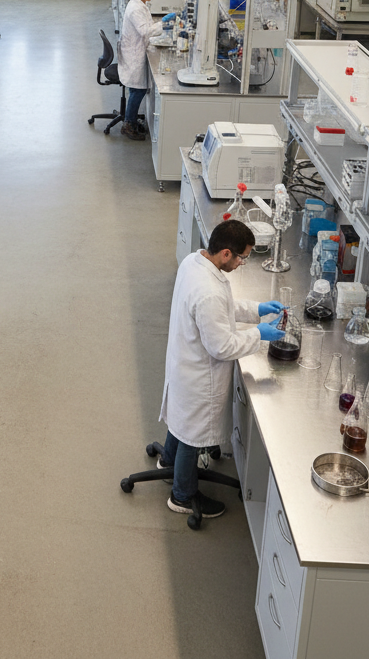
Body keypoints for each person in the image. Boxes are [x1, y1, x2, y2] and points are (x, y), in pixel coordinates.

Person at [158, 219, 284, 520]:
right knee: (194, 434)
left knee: (182, 420)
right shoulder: (209, 291)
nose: (243, 262)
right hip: (200, 374)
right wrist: (259, 336)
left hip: (183, 361)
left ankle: (168, 461)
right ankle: (182, 496)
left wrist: (256, 310)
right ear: (226, 254)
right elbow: (222, 347)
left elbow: (222, 308)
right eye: (242, 257)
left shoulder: (196, 262)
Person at [118, 0, 174, 141]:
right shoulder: (136, 9)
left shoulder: (139, 4)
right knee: (138, 90)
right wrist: (163, 23)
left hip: (136, 49)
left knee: (137, 89)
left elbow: (147, 28)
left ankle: (132, 119)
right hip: (133, 54)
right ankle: (128, 124)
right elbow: (144, 31)